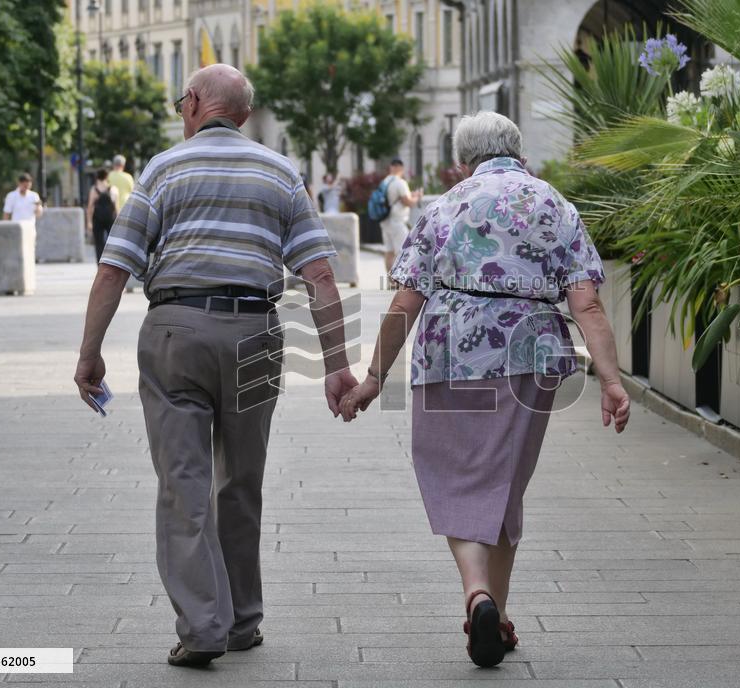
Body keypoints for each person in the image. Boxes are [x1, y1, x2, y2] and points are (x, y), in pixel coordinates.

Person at [73, 64, 359, 668]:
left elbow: (114, 267)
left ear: (197, 103)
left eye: (183, 101)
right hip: (256, 333)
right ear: (246, 116)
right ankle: (243, 621)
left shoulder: (163, 167)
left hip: (176, 332)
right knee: (242, 481)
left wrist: (89, 352)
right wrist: (337, 365)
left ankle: (204, 625)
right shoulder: (280, 171)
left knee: (185, 484)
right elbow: (321, 275)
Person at [339, 112, 631, 668]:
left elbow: (406, 302)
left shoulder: (443, 207)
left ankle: (476, 597)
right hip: (530, 354)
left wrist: (374, 377)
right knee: (503, 480)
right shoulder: (554, 205)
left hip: (452, 351)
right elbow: (586, 302)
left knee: (457, 474)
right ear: (519, 153)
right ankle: (497, 607)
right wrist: (611, 382)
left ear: (461, 161)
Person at [379, 158, 422, 274]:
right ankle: (399, 280)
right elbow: (407, 202)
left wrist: (410, 195)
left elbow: (396, 199)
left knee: (389, 251)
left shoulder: (385, 181)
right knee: (402, 251)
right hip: (397, 221)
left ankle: (390, 281)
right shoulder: (400, 182)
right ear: (400, 168)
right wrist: (417, 197)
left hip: (385, 220)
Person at [86, 168, 119, 261]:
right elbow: (117, 207)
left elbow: (90, 207)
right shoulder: (113, 189)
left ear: (97, 177)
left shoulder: (94, 189)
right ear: (107, 177)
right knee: (112, 242)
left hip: (97, 219)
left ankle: (100, 263)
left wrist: (89, 222)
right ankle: (112, 261)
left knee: (99, 243)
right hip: (111, 219)